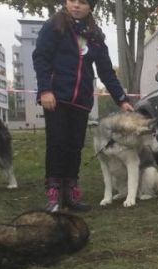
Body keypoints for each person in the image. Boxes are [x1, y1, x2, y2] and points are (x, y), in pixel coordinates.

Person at [33, 0, 133, 212]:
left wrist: (122, 100)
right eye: (72, 1)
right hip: (56, 98)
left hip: (81, 101)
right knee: (57, 143)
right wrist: (45, 90)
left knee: (75, 146)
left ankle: (71, 191)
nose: (76, 5)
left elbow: (106, 71)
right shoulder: (54, 26)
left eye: (82, 2)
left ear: (90, 7)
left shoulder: (95, 36)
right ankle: (53, 192)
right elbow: (40, 57)